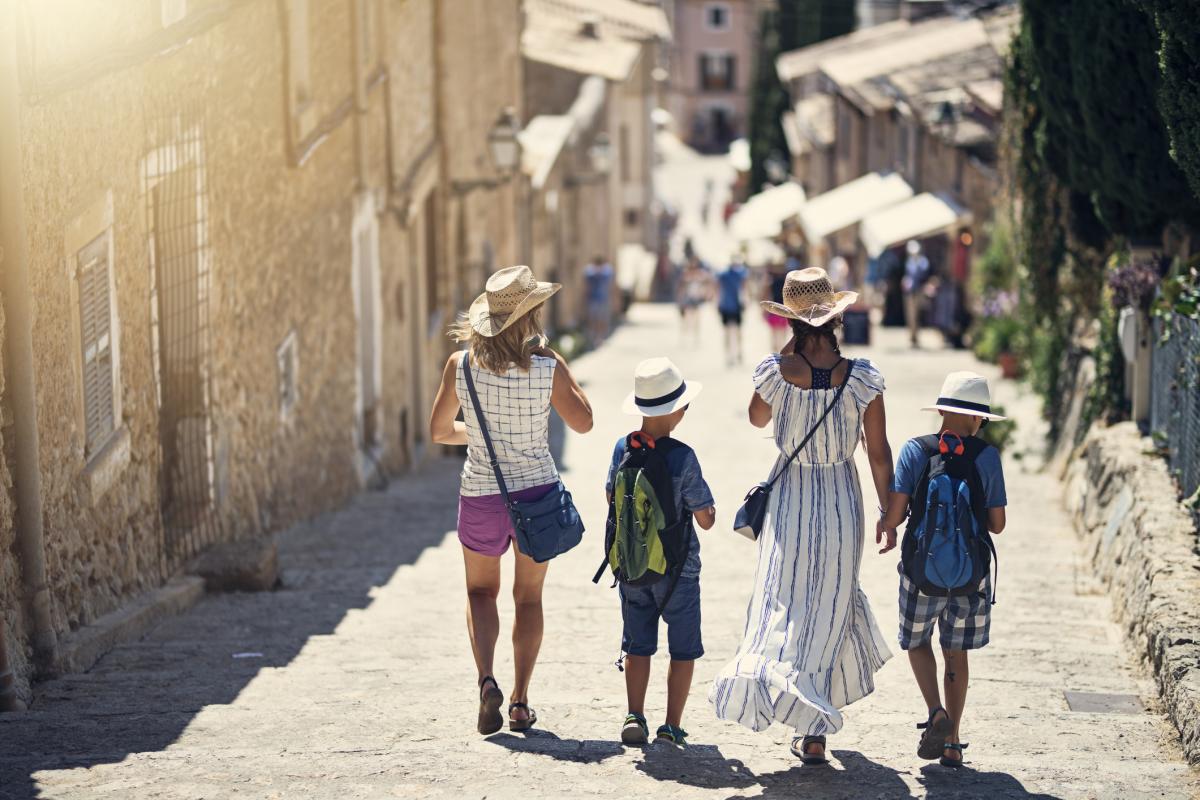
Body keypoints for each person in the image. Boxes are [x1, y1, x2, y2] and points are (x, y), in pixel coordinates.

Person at [710, 267, 894, 765]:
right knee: (829, 606)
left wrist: (788, 354)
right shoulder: (862, 379)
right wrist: (889, 511)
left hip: (791, 498)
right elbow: (878, 453)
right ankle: (816, 729)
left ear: (790, 321)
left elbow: (756, 418)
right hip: (841, 499)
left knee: (781, 599)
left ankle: (768, 676)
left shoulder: (776, 372)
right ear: (836, 318)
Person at [429, 265, 594, 736]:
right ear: (532, 316)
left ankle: (486, 681)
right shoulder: (547, 366)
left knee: (481, 593)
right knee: (529, 598)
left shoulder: (459, 366)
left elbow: (440, 431)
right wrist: (559, 363)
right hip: (537, 495)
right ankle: (521, 700)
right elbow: (583, 422)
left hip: (481, 493)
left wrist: (480, 435)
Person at [877, 372, 1007, 769]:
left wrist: (888, 526)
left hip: (922, 573)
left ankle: (935, 711)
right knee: (956, 653)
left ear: (940, 411)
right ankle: (952, 742)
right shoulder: (985, 456)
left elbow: (896, 513)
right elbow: (997, 524)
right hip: (969, 578)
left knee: (917, 642)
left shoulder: (916, 450)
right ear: (977, 420)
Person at [607, 358, 715, 746]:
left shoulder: (623, 447)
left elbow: (610, 496)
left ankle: (634, 714)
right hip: (678, 570)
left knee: (636, 645)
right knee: (682, 649)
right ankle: (671, 724)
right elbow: (704, 519)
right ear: (677, 411)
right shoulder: (683, 457)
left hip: (633, 568)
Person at [716, 256, 750, 366]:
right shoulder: (740, 274)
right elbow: (744, 289)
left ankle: (730, 355)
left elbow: (718, 290)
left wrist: (717, 303)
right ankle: (737, 353)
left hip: (727, 305)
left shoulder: (723, 275)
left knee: (728, 333)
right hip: (735, 306)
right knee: (737, 332)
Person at [902, 240, 931, 347]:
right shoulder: (909, 261)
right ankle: (912, 336)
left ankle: (916, 336)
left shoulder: (923, 261)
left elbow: (925, 274)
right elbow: (908, 275)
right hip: (910, 292)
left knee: (917, 315)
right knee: (910, 314)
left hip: (919, 290)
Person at [676, 259, 712, 346]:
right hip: (688, 299)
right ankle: (685, 337)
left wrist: (706, 293)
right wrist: (680, 298)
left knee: (696, 319)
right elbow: (681, 288)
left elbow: (708, 281)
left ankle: (695, 337)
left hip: (696, 299)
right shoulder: (686, 276)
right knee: (687, 319)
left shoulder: (700, 275)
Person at [584, 255, 615, 346]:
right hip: (593, 299)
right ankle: (594, 336)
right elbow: (587, 275)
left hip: (603, 299)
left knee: (601, 319)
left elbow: (609, 274)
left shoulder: (606, 272)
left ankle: (600, 337)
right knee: (593, 319)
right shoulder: (590, 272)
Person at [762, 262, 790, 353]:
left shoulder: (770, 281)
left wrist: (764, 311)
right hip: (784, 311)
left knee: (774, 335)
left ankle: (776, 354)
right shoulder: (787, 282)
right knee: (783, 335)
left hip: (774, 310)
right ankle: (781, 354)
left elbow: (765, 296)